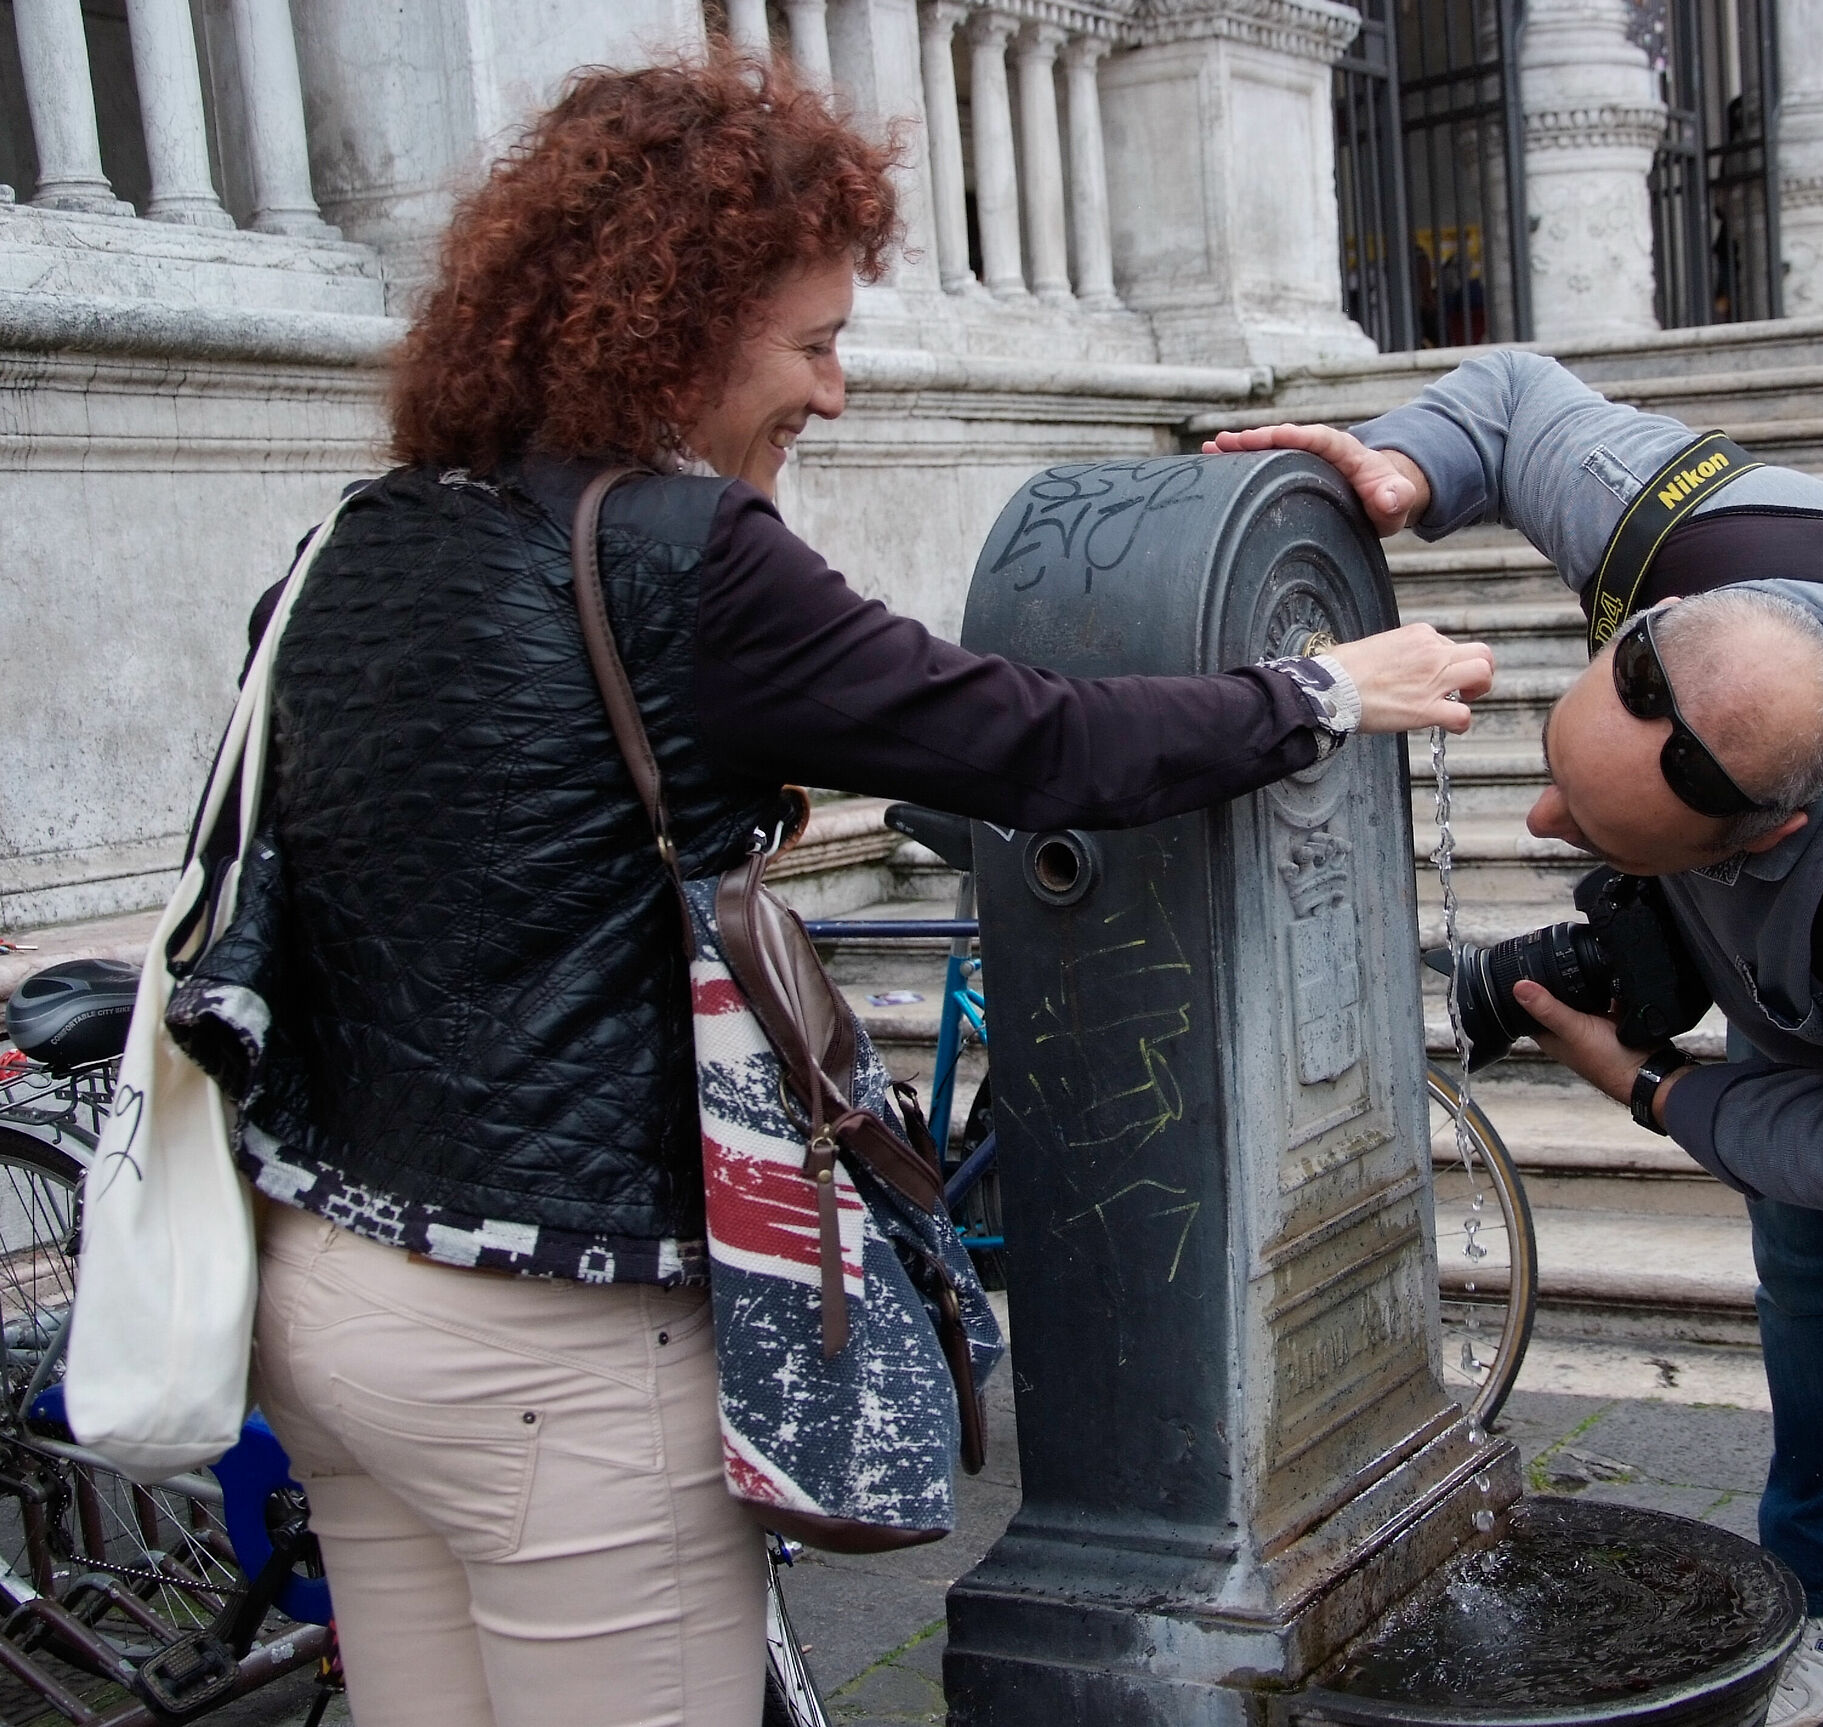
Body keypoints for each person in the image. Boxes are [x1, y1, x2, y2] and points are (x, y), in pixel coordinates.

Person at [238, 55, 1493, 1727]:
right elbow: (1029, 736)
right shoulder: (683, 554)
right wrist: (1329, 691)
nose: (834, 394)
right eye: (814, 344)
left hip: (330, 1296)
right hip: (565, 1346)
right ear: (674, 329)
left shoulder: (359, 539)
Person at [1211, 353, 1823, 1727]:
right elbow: (1519, 399)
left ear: (1766, 839)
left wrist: (1648, 1084)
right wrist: (1408, 467)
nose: (1540, 824)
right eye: (1555, 771)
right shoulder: (1680, 531)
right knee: (1818, 1294)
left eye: (1585, 830)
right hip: (1814, 973)